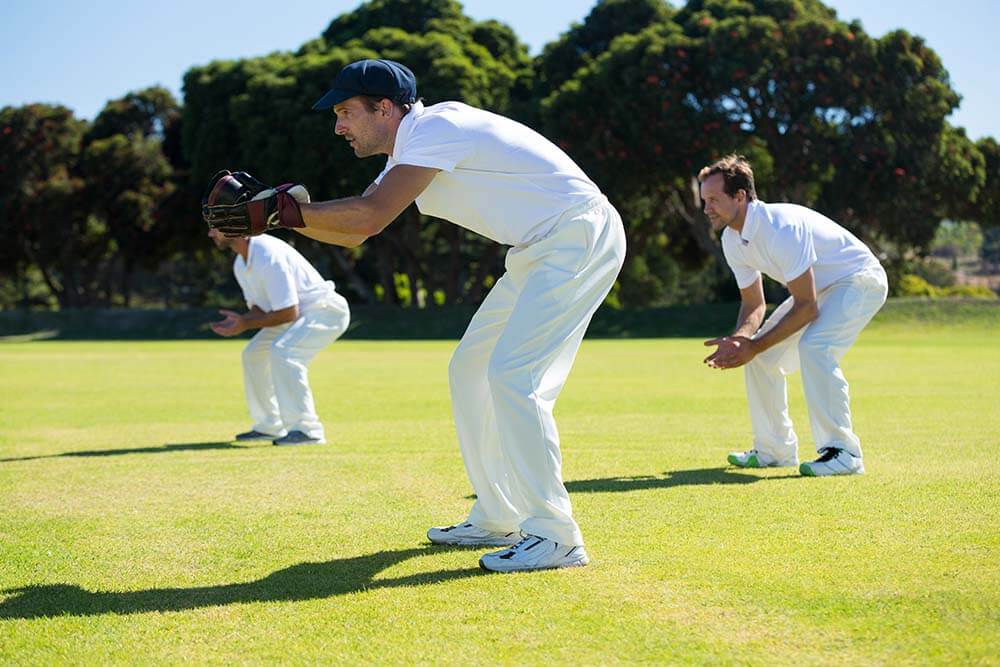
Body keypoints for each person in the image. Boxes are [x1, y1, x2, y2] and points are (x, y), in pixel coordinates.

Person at [206, 59, 626, 572]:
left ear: (384, 108)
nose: (338, 127)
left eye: (345, 112)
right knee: (469, 371)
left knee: (514, 376)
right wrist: (278, 216)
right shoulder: (409, 151)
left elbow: (370, 215)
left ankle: (556, 535)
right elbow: (358, 229)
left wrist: (281, 213)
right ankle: (498, 514)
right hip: (538, 249)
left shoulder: (435, 127)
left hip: (577, 234)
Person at [699, 155, 888, 477]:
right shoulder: (732, 239)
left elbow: (807, 307)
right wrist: (741, 339)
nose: (707, 208)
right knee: (760, 357)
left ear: (740, 196)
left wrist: (754, 345)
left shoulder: (780, 227)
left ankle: (844, 453)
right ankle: (775, 449)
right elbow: (753, 303)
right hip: (821, 289)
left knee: (815, 347)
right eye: (705, 200)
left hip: (860, 279)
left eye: (714, 199)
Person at [207, 228, 350, 446]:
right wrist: (241, 321)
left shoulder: (267, 253)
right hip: (296, 316)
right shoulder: (240, 264)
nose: (210, 234)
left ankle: (307, 431)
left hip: (326, 311)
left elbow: (288, 311)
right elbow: (260, 310)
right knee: (253, 354)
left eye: (215, 227)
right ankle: (270, 425)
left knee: (284, 352)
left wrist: (246, 324)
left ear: (234, 227)